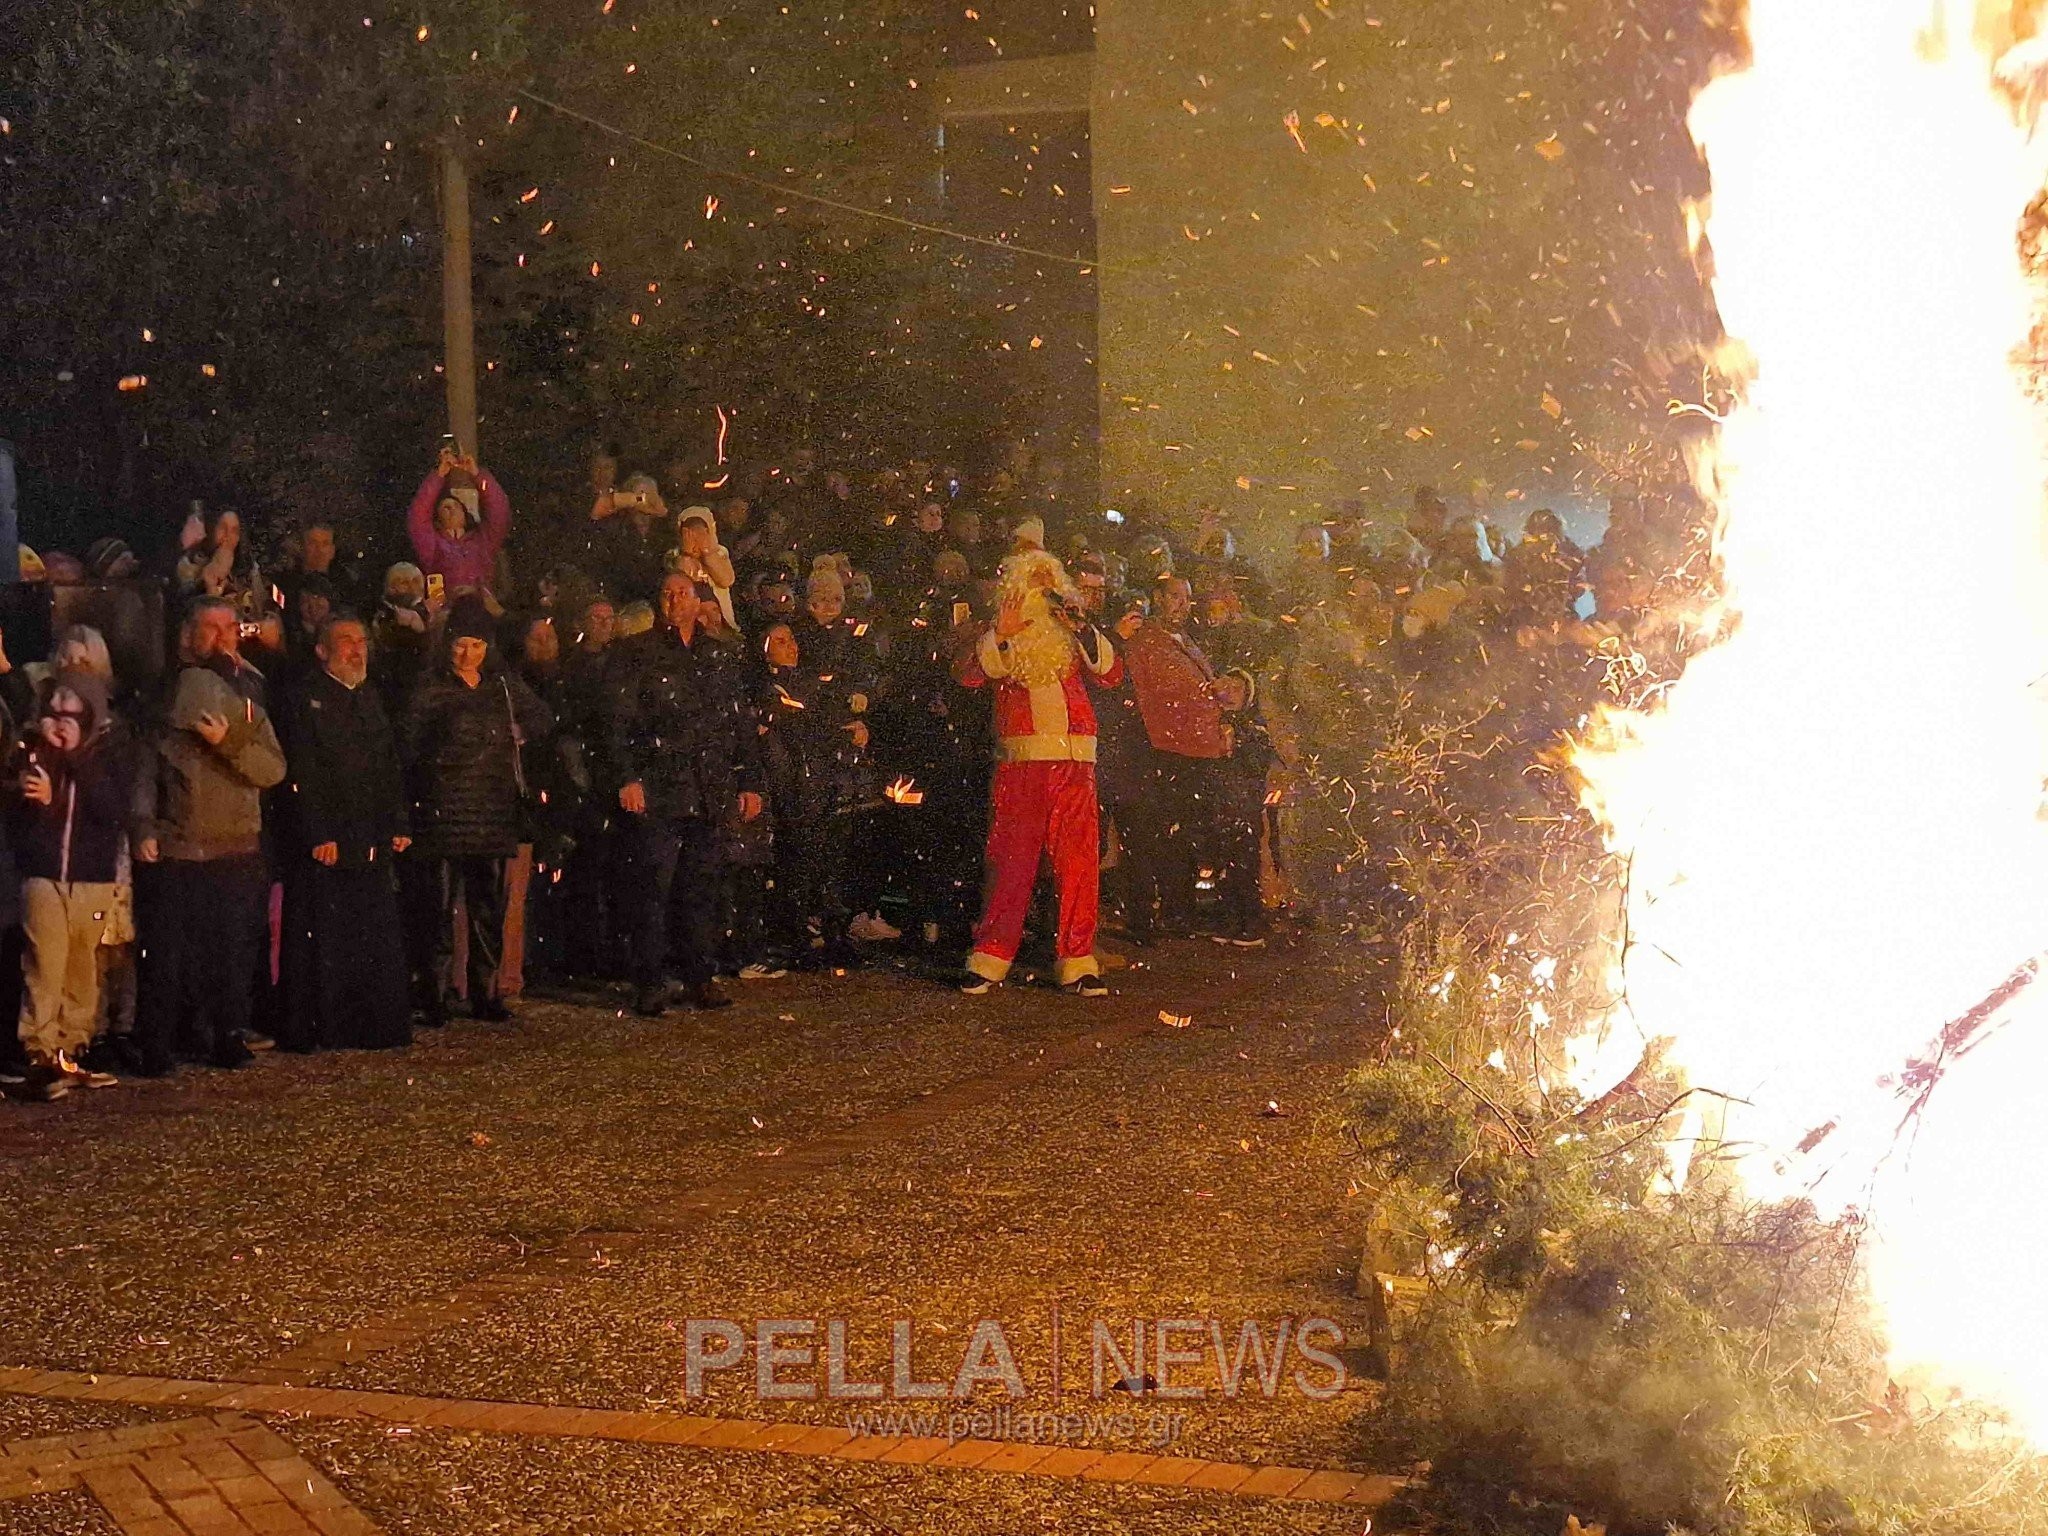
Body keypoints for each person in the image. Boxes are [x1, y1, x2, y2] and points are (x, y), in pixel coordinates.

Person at [955, 548, 1122, 996]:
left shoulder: (1072, 633)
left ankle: (1077, 959)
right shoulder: (994, 631)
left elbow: (1110, 673)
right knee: (1012, 861)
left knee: (1079, 864)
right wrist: (1001, 635)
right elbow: (971, 674)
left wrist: (1083, 628)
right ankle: (991, 956)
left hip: (1075, 763)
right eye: (1037, 581)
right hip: (1022, 764)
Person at [132, 598, 288, 1074]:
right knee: (168, 952)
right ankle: (160, 1043)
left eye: (228, 628)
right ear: (188, 634)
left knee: (232, 950)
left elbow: (272, 768)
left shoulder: (250, 692)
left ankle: (226, 1034)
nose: (222, 637)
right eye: (210, 628)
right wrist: (143, 823)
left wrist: (229, 744)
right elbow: (144, 763)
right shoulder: (164, 690)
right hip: (180, 840)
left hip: (235, 842)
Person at [609, 572, 764, 1016]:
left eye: (682, 592)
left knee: (701, 887)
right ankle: (650, 980)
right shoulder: (638, 654)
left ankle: (700, 975)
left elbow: (738, 722)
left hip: (708, 785)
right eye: (667, 592)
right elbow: (620, 721)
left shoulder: (717, 656)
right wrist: (628, 777)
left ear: (698, 601)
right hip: (661, 785)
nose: (674, 599)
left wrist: (749, 780)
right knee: (653, 887)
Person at [401, 603, 552, 1023]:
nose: (468, 655)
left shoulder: (502, 685)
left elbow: (541, 716)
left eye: (476, 645)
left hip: (490, 811)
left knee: (488, 910)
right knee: (440, 912)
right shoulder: (430, 688)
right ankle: (437, 994)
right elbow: (409, 748)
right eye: (461, 645)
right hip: (443, 814)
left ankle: (486, 992)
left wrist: (517, 734)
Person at [278, 615, 414, 1051]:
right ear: (322, 650)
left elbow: (388, 765)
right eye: (345, 642)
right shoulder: (305, 699)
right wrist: (319, 831)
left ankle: (370, 1023)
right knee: (326, 935)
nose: (356, 650)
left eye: (361, 642)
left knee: (370, 933)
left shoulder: (369, 697)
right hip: (331, 841)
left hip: (370, 838)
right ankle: (325, 1025)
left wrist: (397, 822)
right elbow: (304, 768)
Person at [12, 670, 134, 1099]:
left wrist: (76, 756)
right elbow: (18, 814)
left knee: (82, 964)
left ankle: (71, 1047)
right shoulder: (33, 748)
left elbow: (112, 811)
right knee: (45, 963)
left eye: (73, 709)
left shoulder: (110, 750)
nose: (62, 719)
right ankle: (39, 1053)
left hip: (91, 876)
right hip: (45, 874)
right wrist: (39, 798)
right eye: (56, 708)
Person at [1119, 576, 1260, 945]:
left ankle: (1188, 911)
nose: (1182, 605)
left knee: (1193, 833)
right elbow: (1151, 695)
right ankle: (1175, 912)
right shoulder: (1145, 642)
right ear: (1157, 599)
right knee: (1173, 836)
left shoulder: (1188, 642)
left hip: (1201, 749)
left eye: (1186, 598)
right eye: (1174, 597)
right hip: (1171, 750)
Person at [407, 448, 512, 602]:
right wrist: (439, 475)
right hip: (447, 615)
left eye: (456, 506)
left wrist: (476, 474)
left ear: (465, 514)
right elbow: (418, 515)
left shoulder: (483, 541)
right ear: (437, 519)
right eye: (445, 507)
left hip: (480, 610)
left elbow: (499, 511)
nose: (452, 509)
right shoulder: (433, 545)